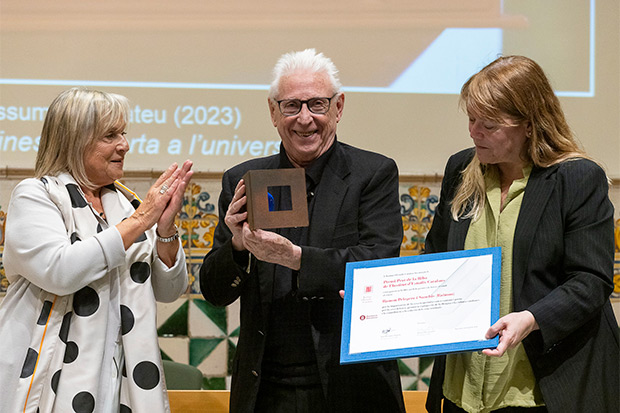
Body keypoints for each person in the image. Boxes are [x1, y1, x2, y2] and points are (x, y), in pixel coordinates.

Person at [200, 48, 406, 412]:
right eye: (292, 106)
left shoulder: (372, 174)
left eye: (317, 104)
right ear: (273, 112)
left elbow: (376, 266)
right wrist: (236, 245)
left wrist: (294, 258)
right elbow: (216, 293)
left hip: (350, 388)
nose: (305, 119)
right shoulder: (243, 180)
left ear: (339, 108)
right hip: (266, 392)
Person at [424, 56, 619, 413]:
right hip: (463, 387)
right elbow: (435, 259)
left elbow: (591, 281)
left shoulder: (577, 179)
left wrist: (531, 319)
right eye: (471, 119)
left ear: (529, 125)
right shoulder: (461, 168)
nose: (473, 132)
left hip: (542, 389)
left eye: (489, 124)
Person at [0, 88, 193, 412]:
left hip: (118, 375)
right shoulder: (37, 194)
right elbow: (60, 272)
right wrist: (144, 219)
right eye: (110, 135)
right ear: (75, 140)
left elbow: (169, 290)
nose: (125, 145)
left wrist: (164, 229)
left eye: (123, 133)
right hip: (46, 374)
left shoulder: (126, 203)